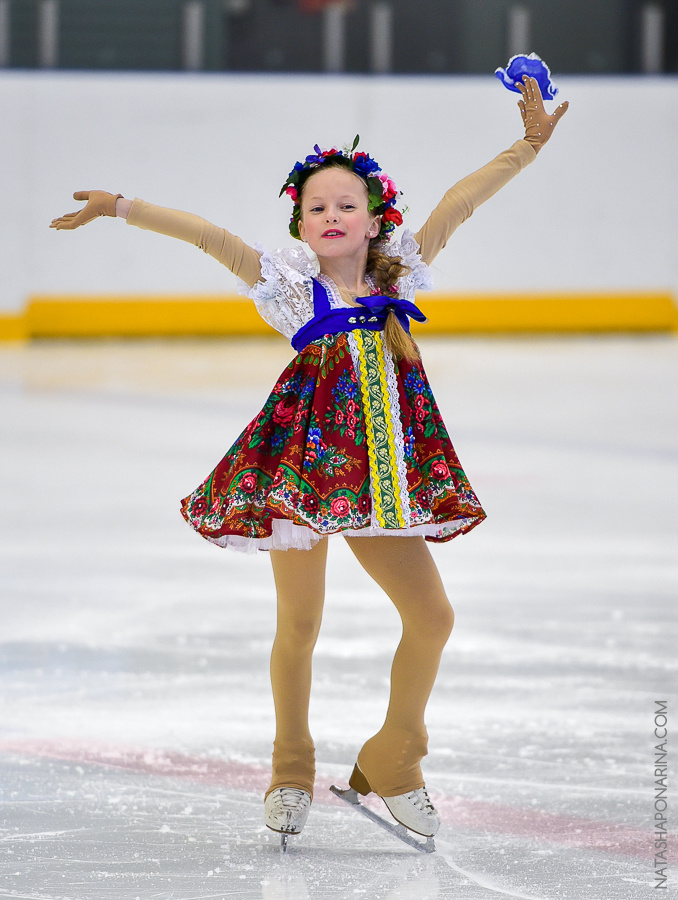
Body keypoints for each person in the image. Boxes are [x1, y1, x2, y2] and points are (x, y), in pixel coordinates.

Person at [51, 77, 568, 844]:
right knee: (300, 622)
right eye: (316, 207)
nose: (330, 216)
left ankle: (396, 756)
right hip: (299, 474)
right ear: (301, 220)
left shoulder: (399, 274)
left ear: (373, 221)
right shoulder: (293, 290)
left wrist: (526, 146)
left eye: (346, 206)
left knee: (432, 616)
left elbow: (463, 199)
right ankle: (290, 766)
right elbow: (208, 235)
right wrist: (121, 206)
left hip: (380, 483)